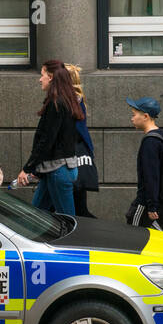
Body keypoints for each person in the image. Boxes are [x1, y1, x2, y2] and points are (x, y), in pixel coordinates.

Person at [14, 59, 82, 215]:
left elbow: (46, 141)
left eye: (42, 74)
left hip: (58, 170)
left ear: (50, 77)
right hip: (58, 168)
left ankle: (77, 240)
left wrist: (27, 168)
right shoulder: (67, 101)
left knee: (68, 221)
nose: (39, 79)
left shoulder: (56, 103)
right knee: (35, 216)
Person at [125, 97, 163, 234]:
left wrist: (151, 205)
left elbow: (151, 175)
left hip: (147, 202)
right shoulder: (162, 136)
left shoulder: (151, 142)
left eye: (134, 114)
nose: (132, 118)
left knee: (134, 232)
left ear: (145, 116)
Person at [65, 63, 97, 218]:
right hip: (77, 157)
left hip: (72, 160)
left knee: (78, 209)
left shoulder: (71, 103)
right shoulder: (77, 100)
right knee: (78, 206)